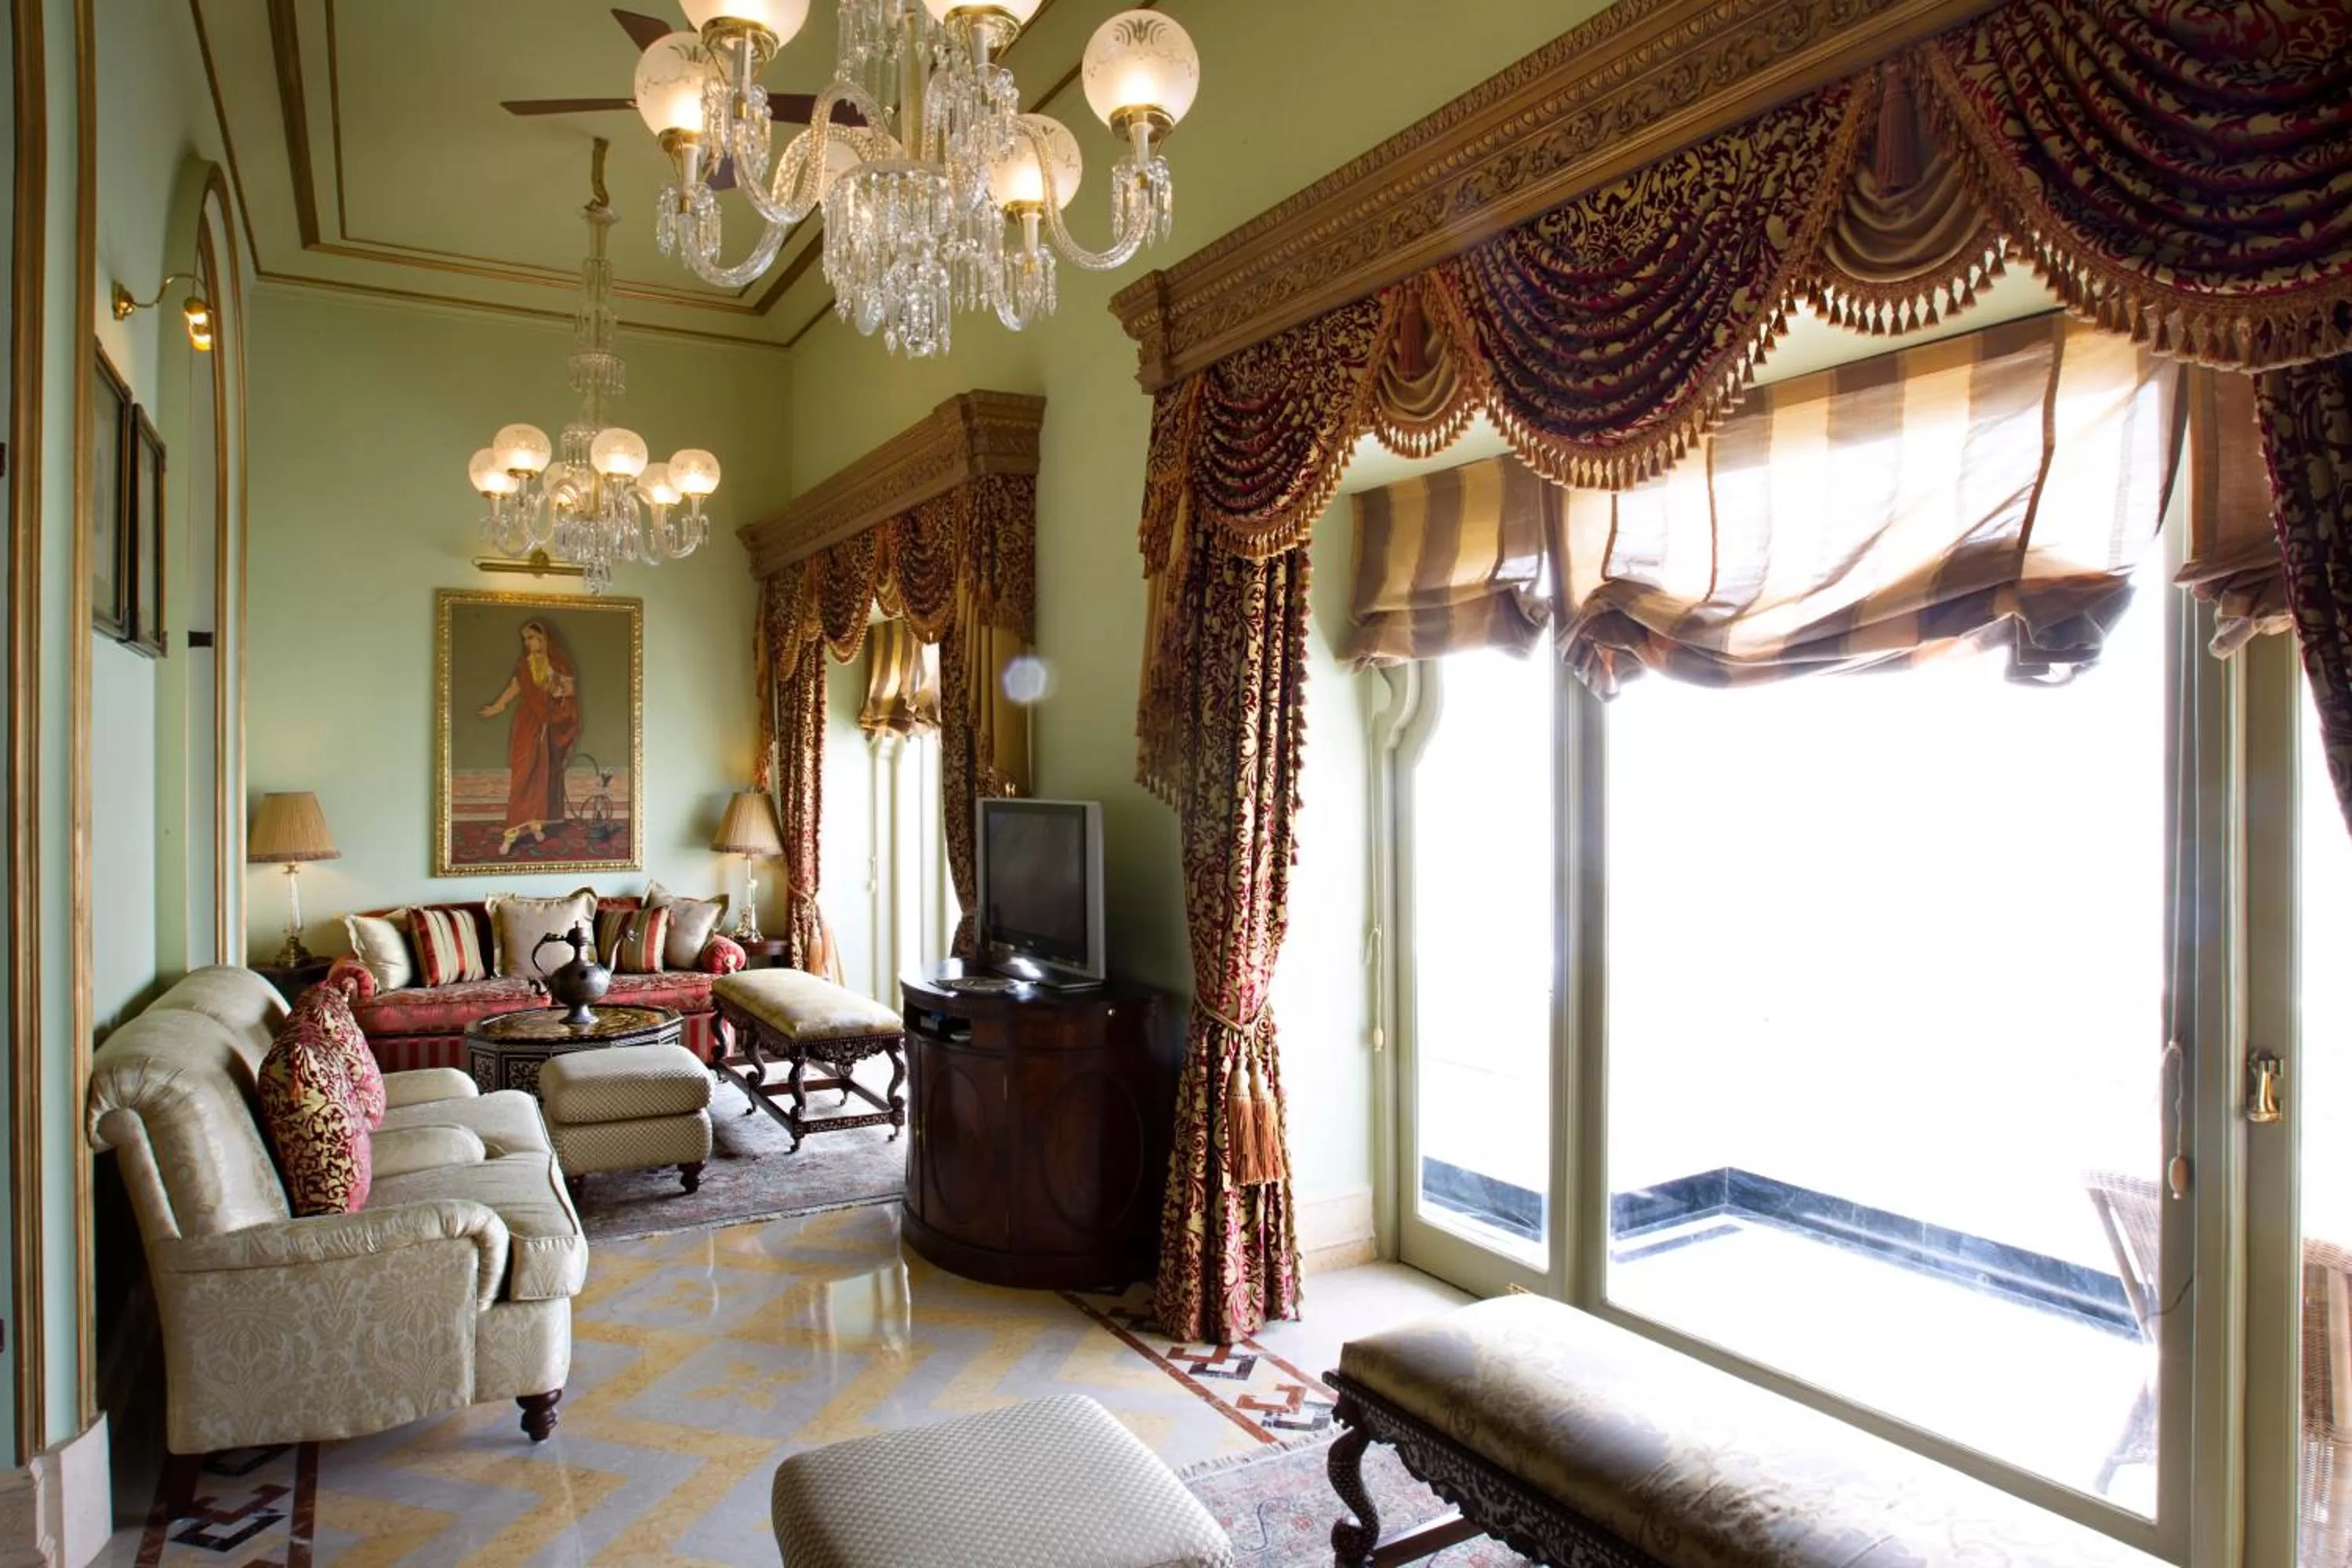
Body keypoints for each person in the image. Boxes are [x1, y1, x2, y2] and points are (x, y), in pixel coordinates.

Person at [478, 618, 581, 855]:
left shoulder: (559, 663)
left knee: (541, 774)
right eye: (525, 639)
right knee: (522, 774)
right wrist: (498, 706)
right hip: (526, 722)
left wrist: (556, 691)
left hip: (547, 723)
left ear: (543, 638)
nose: (527, 643)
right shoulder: (524, 663)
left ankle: (535, 822)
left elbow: (568, 692)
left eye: (531, 638)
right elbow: (515, 687)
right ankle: (513, 829)